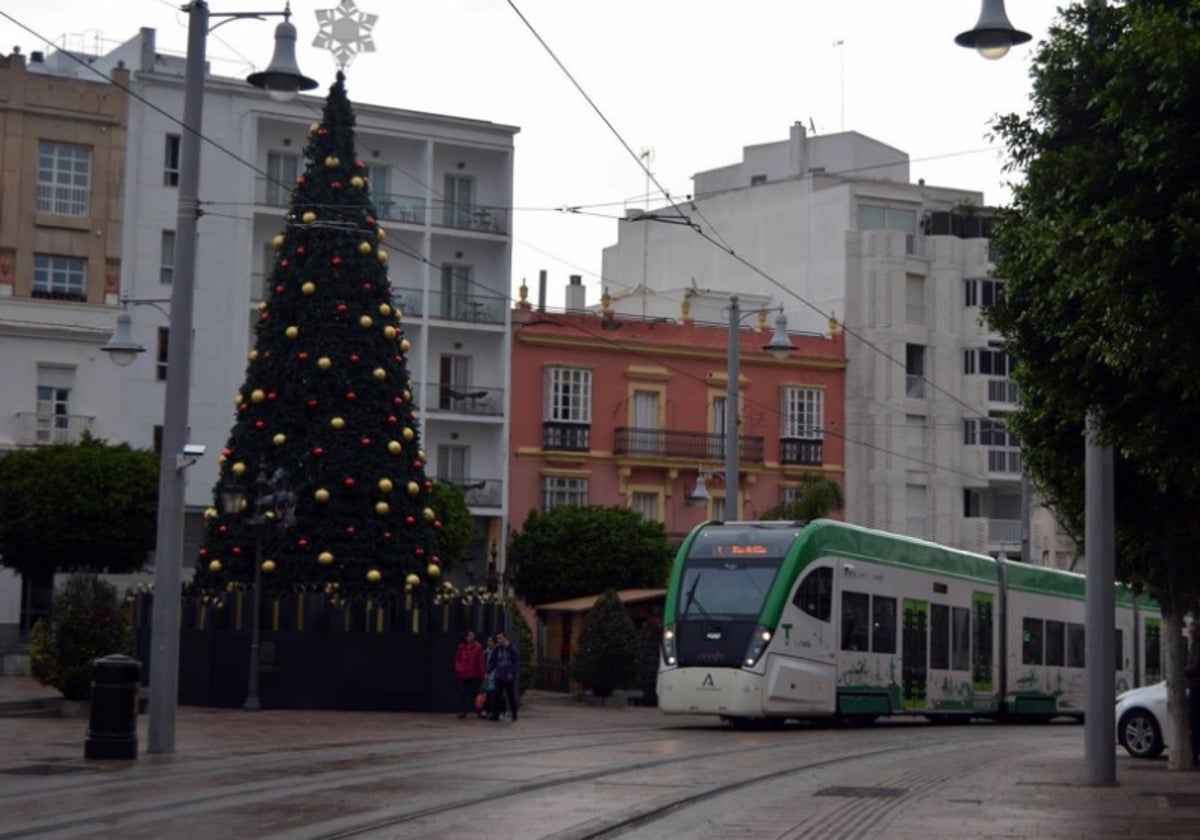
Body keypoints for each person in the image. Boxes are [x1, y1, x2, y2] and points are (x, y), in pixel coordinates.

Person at [488, 631, 520, 722]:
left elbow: (516, 662)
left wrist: (512, 672)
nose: (499, 640)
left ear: (505, 638)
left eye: (501, 638)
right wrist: (489, 671)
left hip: (509, 676)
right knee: (497, 694)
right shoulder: (497, 649)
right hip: (499, 675)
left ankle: (514, 714)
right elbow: (493, 661)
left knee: (510, 695)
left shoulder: (512, 649)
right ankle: (495, 715)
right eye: (498, 638)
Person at [453, 630, 485, 719]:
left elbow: (480, 661)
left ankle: (479, 711)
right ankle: (463, 711)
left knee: (475, 694)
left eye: (472, 636)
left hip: (474, 673)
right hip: (464, 673)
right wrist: (458, 668)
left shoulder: (478, 647)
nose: (470, 637)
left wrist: (482, 673)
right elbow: (457, 659)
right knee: (463, 693)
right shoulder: (461, 647)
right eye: (469, 636)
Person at [1186, 621, 1200, 764]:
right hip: (1195, 688)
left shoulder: (1197, 648)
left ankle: (1195, 756)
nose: (1190, 635)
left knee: (1195, 723)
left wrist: (1183, 670)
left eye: (1192, 632)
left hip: (1196, 688)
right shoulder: (1194, 647)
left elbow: (1195, 667)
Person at [480, 635, 497, 718]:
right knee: (485, 693)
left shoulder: (497, 651)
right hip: (486, 675)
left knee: (493, 694)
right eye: (488, 641)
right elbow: (483, 663)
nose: (489, 643)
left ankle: (492, 710)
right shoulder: (485, 652)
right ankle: (485, 710)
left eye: (491, 641)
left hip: (493, 675)